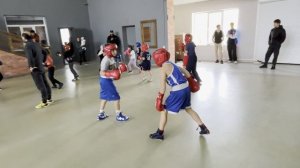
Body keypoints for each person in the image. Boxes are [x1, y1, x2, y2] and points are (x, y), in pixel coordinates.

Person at [149, 48, 210, 140]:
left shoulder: (163, 68)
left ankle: (160, 133)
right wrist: (192, 81)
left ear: (158, 58)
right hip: (186, 88)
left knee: (163, 109)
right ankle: (203, 127)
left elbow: (162, 88)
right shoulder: (172, 63)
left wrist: (159, 99)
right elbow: (185, 72)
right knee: (188, 109)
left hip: (178, 91)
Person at [97, 43, 129, 121]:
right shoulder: (105, 60)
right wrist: (111, 74)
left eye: (115, 50)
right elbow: (101, 72)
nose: (115, 52)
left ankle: (101, 114)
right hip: (105, 81)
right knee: (116, 97)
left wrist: (120, 69)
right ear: (108, 51)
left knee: (104, 97)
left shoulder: (111, 58)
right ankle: (119, 115)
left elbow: (113, 69)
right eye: (113, 50)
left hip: (106, 80)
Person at [22, 32, 52, 109]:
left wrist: (31, 66)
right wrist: (43, 61)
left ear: (24, 38)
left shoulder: (27, 45)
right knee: (45, 83)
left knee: (40, 85)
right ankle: (49, 99)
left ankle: (44, 102)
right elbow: (45, 53)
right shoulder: (37, 44)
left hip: (36, 68)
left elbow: (30, 57)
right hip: (41, 67)